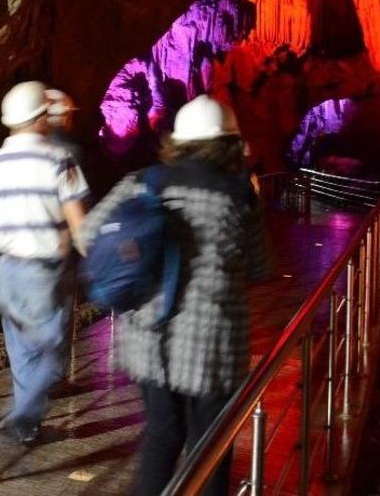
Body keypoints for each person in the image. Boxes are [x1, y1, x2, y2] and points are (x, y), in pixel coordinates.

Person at [78, 94, 270, 496]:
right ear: (230, 143)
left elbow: (89, 234)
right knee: (210, 447)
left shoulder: (141, 182)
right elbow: (258, 266)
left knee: (162, 435)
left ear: (178, 141)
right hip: (213, 344)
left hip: (149, 339)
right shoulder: (238, 196)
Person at [0, 80, 90, 444]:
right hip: (46, 268)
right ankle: (21, 418)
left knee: (20, 347)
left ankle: (28, 429)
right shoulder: (57, 160)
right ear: (40, 118)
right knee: (51, 345)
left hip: (6, 268)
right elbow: (79, 225)